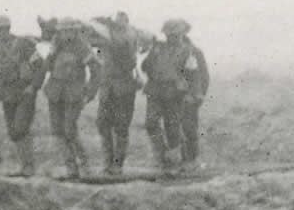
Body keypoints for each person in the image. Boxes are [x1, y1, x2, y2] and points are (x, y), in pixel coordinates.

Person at [0, 14, 47, 177]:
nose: (1, 32)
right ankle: (25, 166)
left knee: (21, 127)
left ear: (8, 28)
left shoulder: (24, 44)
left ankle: (29, 166)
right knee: (13, 132)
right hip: (7, 94)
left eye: (3, 29)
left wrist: (33, 87)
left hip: (24, 93)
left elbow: (41, 66)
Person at [142, 18, 211, 176]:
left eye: (175, 34)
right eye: (168, 34)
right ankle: (163, 156)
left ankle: (176, 162)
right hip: (155, 91)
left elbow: (197, 76)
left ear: (182, 34)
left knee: (173, 128)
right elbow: (145, 67)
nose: (171, 37)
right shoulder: (158, 48)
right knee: (150, 123)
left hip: (175, 94)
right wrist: (150, 52)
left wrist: (196, 95)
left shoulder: (190, 51)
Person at [90, 12, 145, 178]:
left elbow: (127, 56)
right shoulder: (107, 39)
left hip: (124, 88)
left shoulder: (128, 38)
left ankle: (117, 165)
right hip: (108, 88)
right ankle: (108, 163)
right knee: (103, 124)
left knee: (121, 127)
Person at [42, 19, 97, 179]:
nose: (67, 34)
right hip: (55, 93)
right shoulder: (56, 46)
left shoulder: (82, 47)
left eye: (70, 31)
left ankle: (86, 166)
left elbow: (96, 69)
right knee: (58, 131)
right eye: (64, 31)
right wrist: (51, 53)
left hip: (74, 93)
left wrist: (90, 91)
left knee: (69, 130)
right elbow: (46, 67)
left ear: (75, 31)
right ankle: (71, 168)